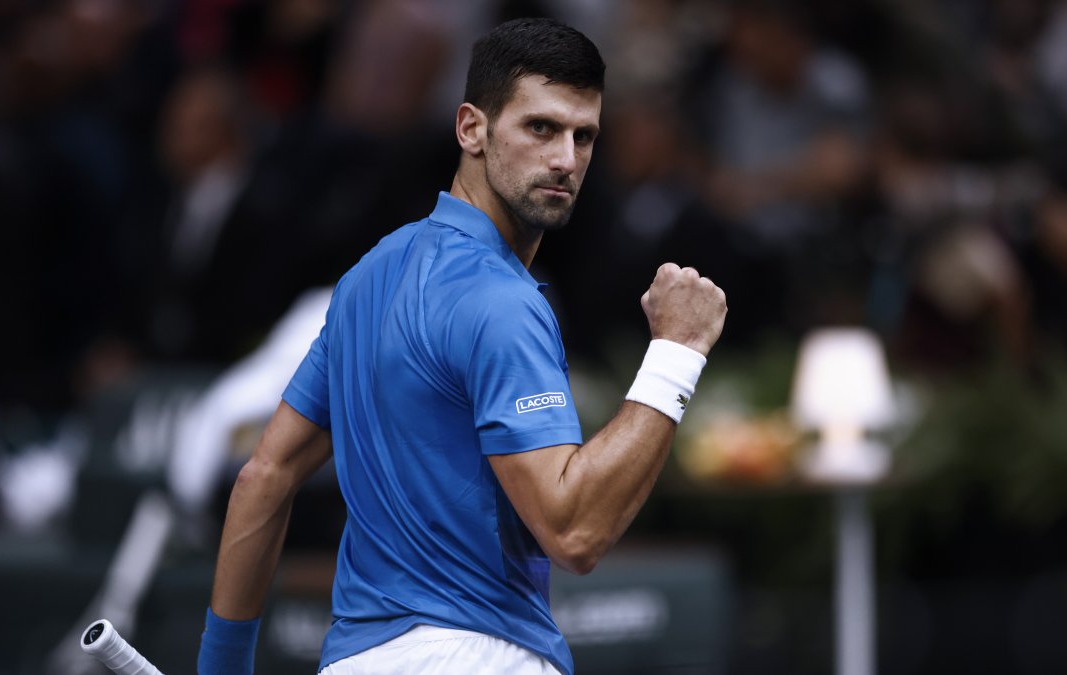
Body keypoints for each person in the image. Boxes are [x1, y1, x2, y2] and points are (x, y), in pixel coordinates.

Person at [197, 17, 728, 675]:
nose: (566, 158)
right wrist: (677, 350)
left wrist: (221, 666)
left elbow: (264, 475)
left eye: (583, 135)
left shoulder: (367, 278)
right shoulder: (503, 301)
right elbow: (575, 530)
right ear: (471, 127)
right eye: (540, 127)